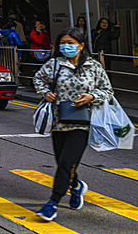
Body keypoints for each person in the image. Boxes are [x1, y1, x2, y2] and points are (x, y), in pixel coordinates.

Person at [32, 27, 113, 222]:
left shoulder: (93, 67)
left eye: (70, 43)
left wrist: (91, 96)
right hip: (59, 122)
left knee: (67, 162)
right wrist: (45, 93)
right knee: (63, 163)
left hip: (83, 123)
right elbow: (38, 80)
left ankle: (52, 203)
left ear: (81, 45)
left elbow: (108, 92)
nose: (66, 46)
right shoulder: (54, 64)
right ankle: (76, 186)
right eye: (63, 43)